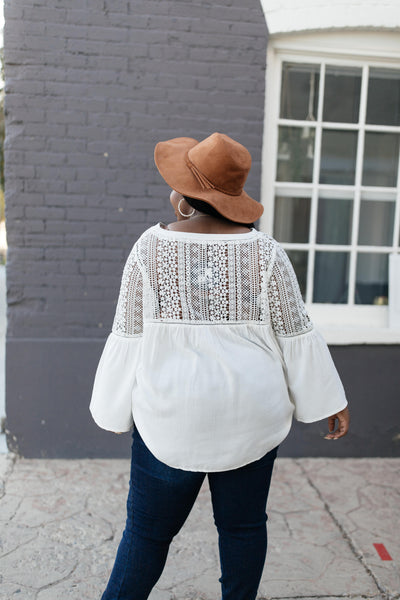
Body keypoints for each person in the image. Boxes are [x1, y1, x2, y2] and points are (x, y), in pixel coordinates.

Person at [89, 132, 349, 600]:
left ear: (185, 197)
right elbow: (295, 331)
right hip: (250, 416)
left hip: (169, 416)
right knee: (243, 529)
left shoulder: (148, 248)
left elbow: (127, 332)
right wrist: (330, 398)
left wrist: (110, 408)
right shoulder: (266, 252)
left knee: (146, 534)